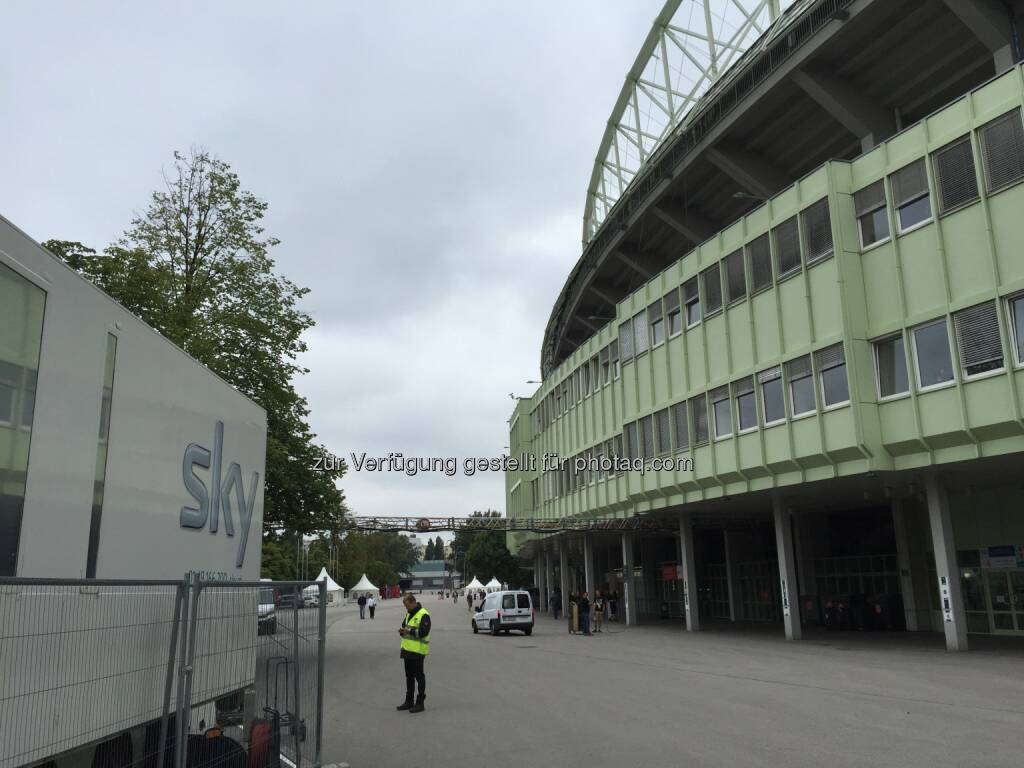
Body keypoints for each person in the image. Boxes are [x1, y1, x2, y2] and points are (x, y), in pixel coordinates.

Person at [397, 592, 430, 713]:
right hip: (407, 650)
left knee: (419, 677)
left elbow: (423, 632)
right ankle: (409, 700)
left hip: (417, 651)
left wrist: (408, 631)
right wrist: (402, 631)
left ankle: (420, 703)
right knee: (409, 677)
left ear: (413, 602)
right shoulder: (409, 614)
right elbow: (404, 626)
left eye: (407, 606)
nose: (406, 608)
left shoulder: (424, 614)